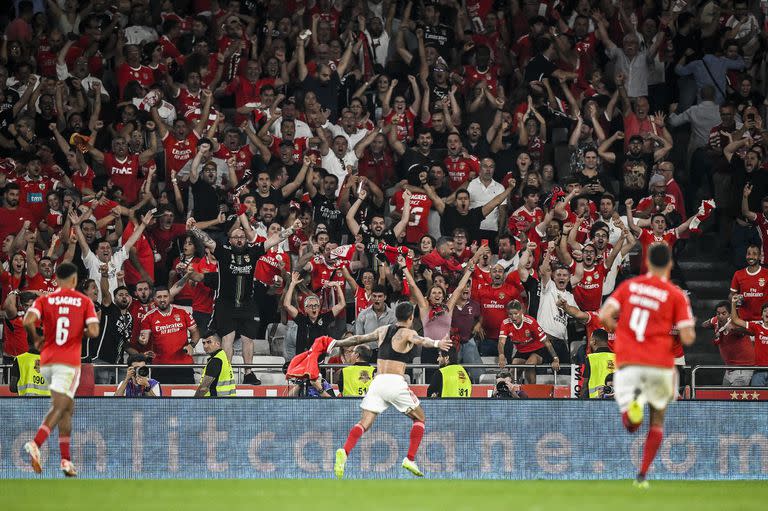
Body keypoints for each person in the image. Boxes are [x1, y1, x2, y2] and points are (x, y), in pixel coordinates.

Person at [599, 243, 695, 488]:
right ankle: (642, 475)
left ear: (648, 263)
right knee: (657, 421)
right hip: (660, 364)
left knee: (632, 426)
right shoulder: (676, 295)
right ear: (670, 265)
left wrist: (621, 331)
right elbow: (687, 338)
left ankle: (633, 411)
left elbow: (604, 316)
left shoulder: (630, 287)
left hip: (629, 360)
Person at [332, 302, 452, 479]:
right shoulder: (408, 332)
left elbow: (358, 339)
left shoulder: (382, 330)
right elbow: (421, 341)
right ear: (411, 317)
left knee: (364, 423)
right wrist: (437, 343)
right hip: (395, 382)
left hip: (377, 382)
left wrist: (336, 342)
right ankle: (410, 458)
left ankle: (344, 451)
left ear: (396, 315)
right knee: (420, 418)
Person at [22, 262, 100, 477]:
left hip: (47, 361)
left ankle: (66, 461)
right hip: (67, 362)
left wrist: (36, 338)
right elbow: (94, 331)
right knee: (61, 404)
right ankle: (36, 442)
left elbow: (27, 321)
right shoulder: (83, 301)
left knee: (67, 409)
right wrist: (80, 329)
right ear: (74, 280)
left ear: (56, 280)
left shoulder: (45, 299)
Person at [498, 300, 559, 384]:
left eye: (516, 313)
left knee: (529, 364)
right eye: (510, 314)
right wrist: (501, 355)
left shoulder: (530, 322)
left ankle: (531, 392)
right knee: (513, 368)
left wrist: (555, 358)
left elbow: (546, 342)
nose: (513, 317)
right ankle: (514, 391)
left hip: (538, 350)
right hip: (522, 351)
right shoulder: (505, 323)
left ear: (521, 311)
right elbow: (501, 342)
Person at [702, 301, 753, 387]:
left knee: (734, 398)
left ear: (730, 314)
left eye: (723, 313)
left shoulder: (735, 323)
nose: (720, 316)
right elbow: (704, 324)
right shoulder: (716, 320)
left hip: (743, 369)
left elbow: (748, 331)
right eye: (718, 313)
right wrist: (709, 324)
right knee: (724, 397)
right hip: (728, 369)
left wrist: (735, 329)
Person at [729, 298, 768, 387]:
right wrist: (733, 304)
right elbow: (735, 320)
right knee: (757, 399)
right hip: (759, 371)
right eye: (765, 311)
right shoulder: (756, 327)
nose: (767, 313)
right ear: (761, 315)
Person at [580, 329, 616, 398]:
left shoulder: (590, 358)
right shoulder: (616, 357)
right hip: (615, 401)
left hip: (596, 402)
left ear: (594, 342)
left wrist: (582, 402)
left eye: (590, 340)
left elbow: (585, 385)